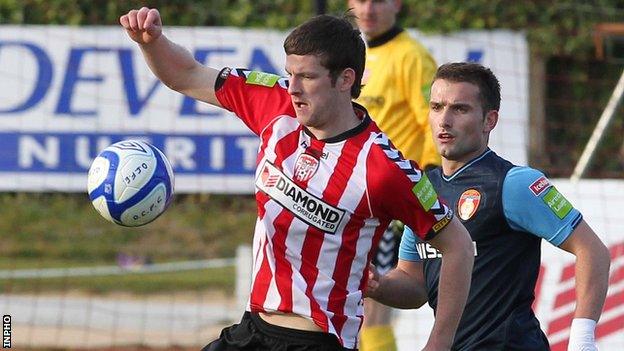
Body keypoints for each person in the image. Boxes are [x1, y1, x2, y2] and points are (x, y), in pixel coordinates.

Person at [120, 8, 475, 351]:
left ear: (345, 79)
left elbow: (457, 245)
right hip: (253, 329)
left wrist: (439, 342)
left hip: (318, 340)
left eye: (306, 76)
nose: (292, 87)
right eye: (289, 73)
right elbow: (186, 74)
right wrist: (151, 42)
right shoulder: (275, 104)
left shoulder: (382, 167)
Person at [366, 62, 611, 351]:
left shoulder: (514, 183)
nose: (444, 120)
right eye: (436, 107)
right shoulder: (423, 189)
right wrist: (377, 284)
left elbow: (592, 250)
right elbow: (414, 282)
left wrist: (582, 337)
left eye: (460, 109)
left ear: (489, 120)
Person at [348, 1, 440, 350]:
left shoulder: (413, 57)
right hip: (348, 195)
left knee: (374, 299)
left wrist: (428, 180)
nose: (368, 8)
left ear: (397, 4)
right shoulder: (351, 53)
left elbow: (433, 124)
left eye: (379, 0)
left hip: (389, 200)